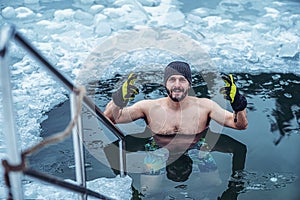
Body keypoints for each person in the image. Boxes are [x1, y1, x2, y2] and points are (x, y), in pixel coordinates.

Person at [104, 61, 248, 176]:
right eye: (172, 80)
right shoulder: (148, 107)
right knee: (149, 191)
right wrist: (118, 100)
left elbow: (240, 125)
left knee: (212, 184)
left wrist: (239, 106)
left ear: (189, 84)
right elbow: (111, 117)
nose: (177, 85)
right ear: (165, 83)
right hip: (157, 147)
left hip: (196, 146)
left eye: (182, 80)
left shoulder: (205, 106)